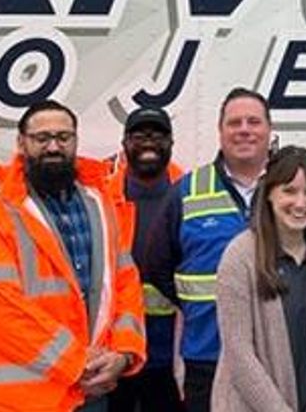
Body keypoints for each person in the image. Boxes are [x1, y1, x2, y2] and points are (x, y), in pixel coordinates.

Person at [0, 100, 145, 412]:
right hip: (23, 399)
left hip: (92, 394)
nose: (54, 147)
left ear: (75, 140)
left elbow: (125, 285)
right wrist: (77, 364)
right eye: (41, 138)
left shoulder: (100, 204)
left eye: (63, 137)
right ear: (21, 143)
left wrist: (125, 353)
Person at [145, 88, 273, 412]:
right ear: (221, 131)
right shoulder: (187, 191)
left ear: (269, 131)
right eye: (234, 123)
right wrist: (193, 302)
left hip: (276, 355)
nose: (244, 129)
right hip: (207, 355)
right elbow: (157, 264)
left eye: (253, 122)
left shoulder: (292, 187)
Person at [211, 146, 306, 411]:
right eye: (289, 191)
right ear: (269, 194)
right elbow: (238, 352)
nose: (301, 203)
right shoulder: (240, 256)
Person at [106, 106, 185, 412]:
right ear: (124, 143)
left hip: (173, 348)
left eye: (159, 134)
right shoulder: (100, 196)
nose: (149, 141)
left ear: (171, 142)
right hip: (115, 351)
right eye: (139, 134)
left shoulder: (188, 194)